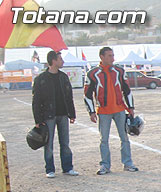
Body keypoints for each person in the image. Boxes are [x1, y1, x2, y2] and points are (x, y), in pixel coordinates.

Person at [84, 46, 139, 175]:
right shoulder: (92, 74)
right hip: (103, 112)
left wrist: (131, 107)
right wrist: (91, 112)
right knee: (104, 140)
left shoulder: (119, 71)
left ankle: (128, 163)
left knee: (124, 138)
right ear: (101, 57)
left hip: (120, 109)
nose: (112, 58)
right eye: (109, 56)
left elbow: (127, 90)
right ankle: (105, 165)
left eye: (113, 55)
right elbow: (87, 95)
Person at [31, 50, 78, 178]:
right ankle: (50, 169)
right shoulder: (41, 79)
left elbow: (69, 97)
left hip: (63, 114)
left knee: (65, 143)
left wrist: (72, 114)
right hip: (48, 115)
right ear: (53, 61)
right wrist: (38, 119)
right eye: (60, 59)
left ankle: (68, 168)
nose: (63, 61)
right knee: (48, 144)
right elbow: (36, 101)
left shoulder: (63, 77)